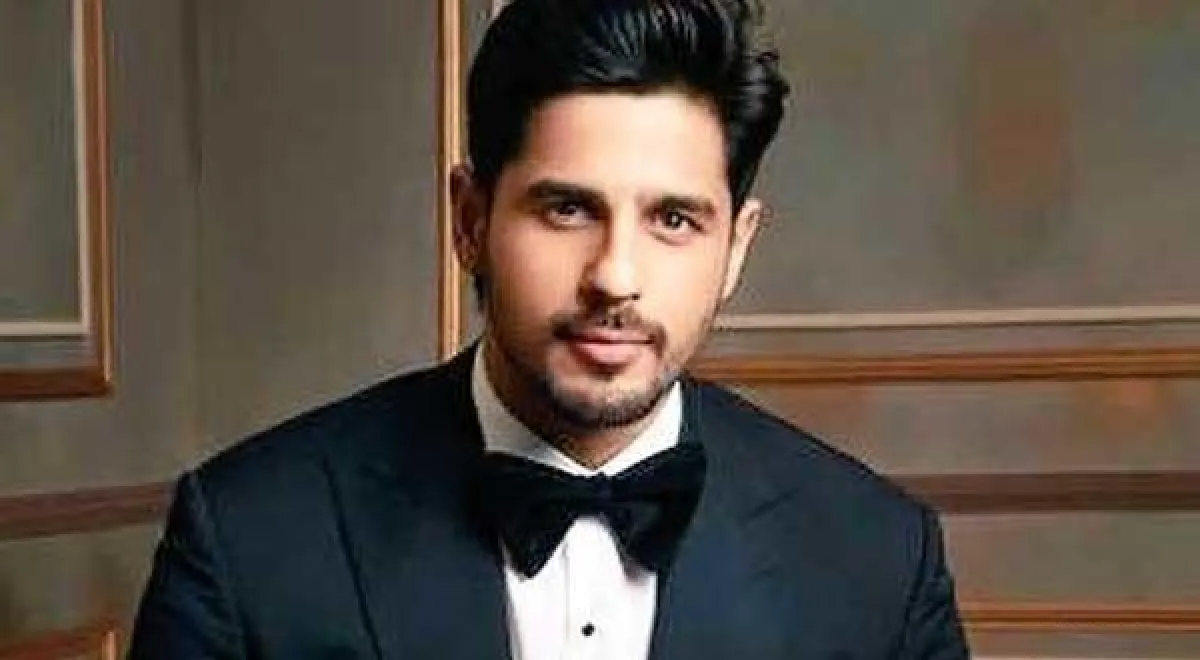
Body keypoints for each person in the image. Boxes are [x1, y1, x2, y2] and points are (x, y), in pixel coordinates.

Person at [129, 0, 969, 657]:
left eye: (674, 219)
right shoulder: (250, 535)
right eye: (567, 209)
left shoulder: (878, 558)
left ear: (736, 247)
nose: (615, 275)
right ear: (470, 219)